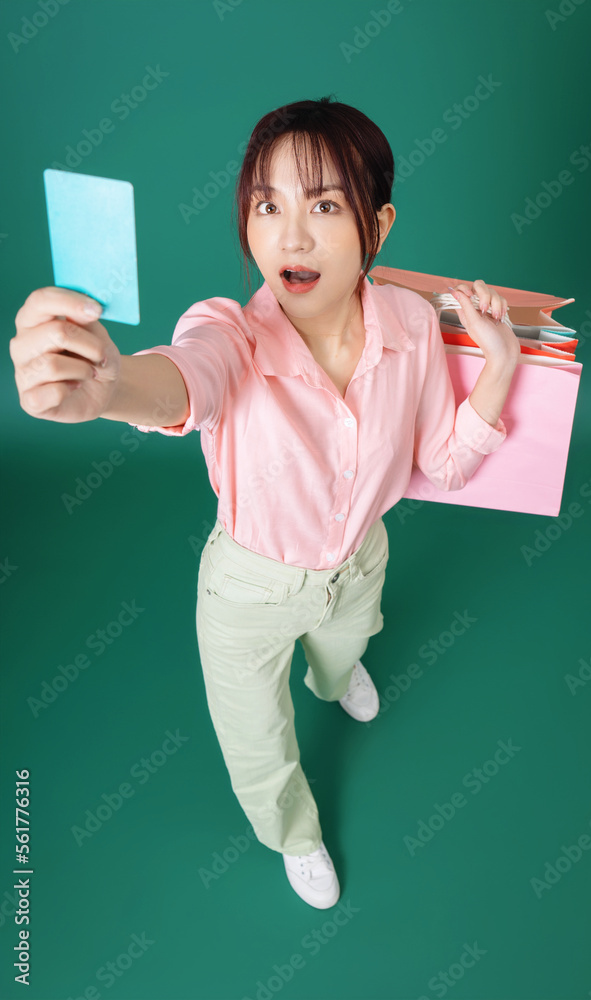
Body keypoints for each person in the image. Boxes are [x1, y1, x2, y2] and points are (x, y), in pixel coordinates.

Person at [10, 96, 520, 910]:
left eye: (322, 205)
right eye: (266, 205)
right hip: (248, 591)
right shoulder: (229, 332)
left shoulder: (415, 325)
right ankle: (296, 835)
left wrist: (495, 367)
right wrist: (107, 387)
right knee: (257, 742)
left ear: (376, 224)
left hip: (359, 563)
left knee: (343, 649)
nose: (289, 237)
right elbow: (182, 378)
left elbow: (440, 465)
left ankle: (334, 672)